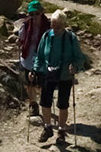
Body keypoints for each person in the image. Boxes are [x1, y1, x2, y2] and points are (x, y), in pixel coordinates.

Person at [33, 10, 86, 144]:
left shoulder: (71, 38)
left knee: (62, 103)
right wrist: (34, 70)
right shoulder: (46, 36)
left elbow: (79, 57)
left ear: (63, 25)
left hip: (65, 75)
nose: (55, 29)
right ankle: (47, 127)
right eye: (53, 26)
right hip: (48, 72)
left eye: (58, 27)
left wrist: (75, 67)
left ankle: (61, 131)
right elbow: (39, 55)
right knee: (45, 101)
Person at [17, 0, 52, 118]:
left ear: (41, 12)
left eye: (36, 13)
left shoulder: (48, 26)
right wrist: (19, 42)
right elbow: (21, 38)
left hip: (42, 58)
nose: (34, 17)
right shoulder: (26, 25)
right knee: (30, 82)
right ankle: (33, 104)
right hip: (28, 56)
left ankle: (44, 104)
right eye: (31, 14)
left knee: (42, 83)